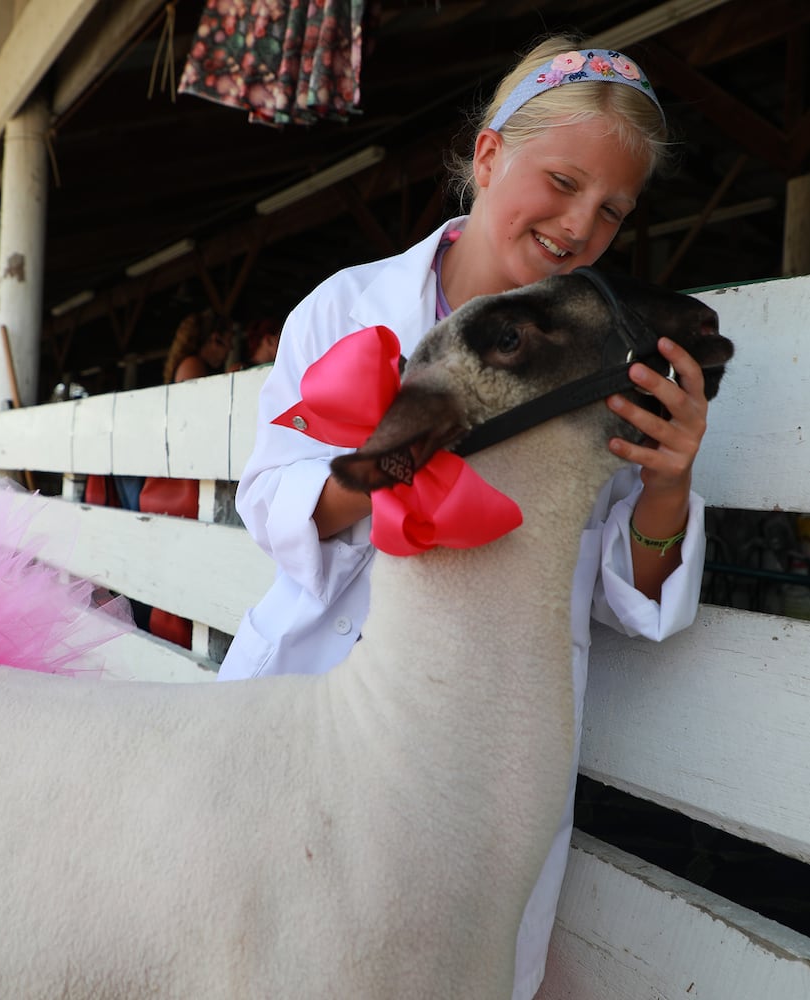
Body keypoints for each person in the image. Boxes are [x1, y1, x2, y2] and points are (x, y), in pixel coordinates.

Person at [219, 36, 713, 1000]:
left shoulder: (609, 360)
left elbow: (628, 598)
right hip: (311, 706)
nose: (580, 225)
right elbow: (268, 494)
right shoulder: (349, 306)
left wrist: (667, 485)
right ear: (487, 157)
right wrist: (388, 465)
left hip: (478, 756)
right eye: (562, 181)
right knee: (263, 950)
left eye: (612, 208)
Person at [140, 310, 235, 646]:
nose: (226, 351)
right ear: (214, 339)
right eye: (225, 343)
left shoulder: (185, 364)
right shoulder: (194, 366)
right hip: (185, 480)